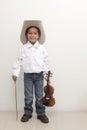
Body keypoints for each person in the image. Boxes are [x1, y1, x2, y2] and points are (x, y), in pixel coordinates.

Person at [12, 20, 50, 123]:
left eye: (35, 33)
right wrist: (15, 73)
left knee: (39, 96)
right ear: (26, 35)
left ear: (38, 36)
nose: (32, 35)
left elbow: (45, 62)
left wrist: (47, 74)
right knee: (28, 96)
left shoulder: (42, 49)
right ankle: (28, 112)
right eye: (30, 33)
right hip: (28, 76)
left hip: (39, 75)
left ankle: (41, 113)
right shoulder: (23, 48)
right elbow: (18, 61)